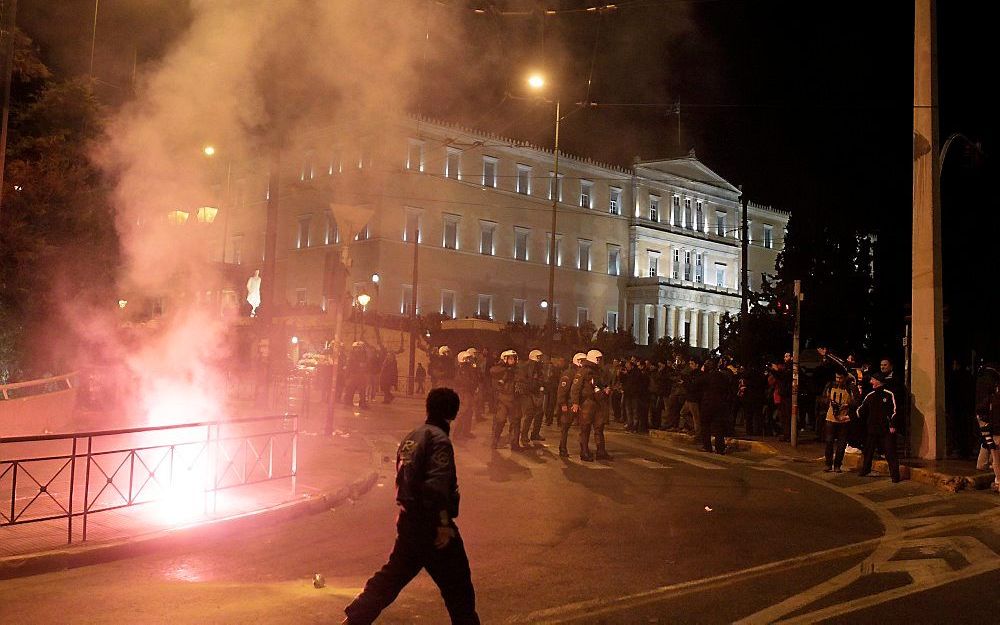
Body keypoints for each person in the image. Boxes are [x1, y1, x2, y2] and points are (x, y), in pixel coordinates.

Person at [343, 388, 480, 625]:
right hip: (432, 526)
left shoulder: (412, 437)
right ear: (453, 413)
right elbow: (437, 487)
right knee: (459, 587)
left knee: (391, 578)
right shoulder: (439, 440)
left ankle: (355, 619)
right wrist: (443, 524)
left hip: (409, 521)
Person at [857, 373, 901, 482]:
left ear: (878, 381)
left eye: (873, 379)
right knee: (868, 451)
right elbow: (861, 410)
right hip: (872, 429)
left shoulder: (889, 394)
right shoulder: (870, 395)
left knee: (890, 452)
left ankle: (895, 475)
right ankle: (865, 469)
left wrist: (892, 424)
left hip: (886, 429)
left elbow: (895, 411)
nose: (871, 381)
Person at [570, 349, 612, 461]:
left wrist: (605, 390)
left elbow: (600, 384)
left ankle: (601, 451)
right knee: (585, 428)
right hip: (587, 403)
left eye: (600, 359)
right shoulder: (583, 371)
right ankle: (584, 452)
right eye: (597, 358)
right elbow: (576, 388)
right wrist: (575, 402)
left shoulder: (599, 371)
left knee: (599, 427)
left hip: (597, 402)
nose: (599, 361)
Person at [820, 371, 858, 472]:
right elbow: (823, 398)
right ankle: (828, 464)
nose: (838, 380)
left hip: (844, 419)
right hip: (831, 418)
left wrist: (847, 405)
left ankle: (837, 465)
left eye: (840, 378)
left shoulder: (851, 387)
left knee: (841, 444)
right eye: (837, 378)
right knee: (829, 441)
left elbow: (857, 401)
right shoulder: (830, 385)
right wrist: (830, 402)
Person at [699, 358, 736, 454]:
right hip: (720, 404)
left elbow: (695, 385)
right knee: (718, 427)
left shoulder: (706, 376)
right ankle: (720, 448)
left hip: (708, 404)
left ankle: (707, 447)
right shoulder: (722, 376)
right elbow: (728, 388)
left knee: (705, 425)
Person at [490, 350, 524, 451]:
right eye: (510, 358)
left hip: (515, 399)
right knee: (500, 420)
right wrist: (506, 369)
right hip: (503, 399)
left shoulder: (517, 370)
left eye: (514, 358)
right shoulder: (499, 369)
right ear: (505, 359)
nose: (513, 360)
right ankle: (495, 440)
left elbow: (523, 379)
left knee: (516, 422)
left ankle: (515, 444)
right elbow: (493, 371)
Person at [556, 353, 586, 457]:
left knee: (583, 427)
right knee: (565, 427)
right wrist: (563, 403)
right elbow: (562, 390)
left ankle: (584, 450)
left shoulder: (582, 372)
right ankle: (562, 448)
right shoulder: (569, 373)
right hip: (569, 404)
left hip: (579, 404)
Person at [518, 349, 547, 444]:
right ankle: (524, 435)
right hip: (527, 393)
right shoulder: (527, 366)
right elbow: (523, 379)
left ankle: (535, 434)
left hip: (535, 392)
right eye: (539, 357)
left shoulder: (538, 367)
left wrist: (540, 386)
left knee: (539, 413)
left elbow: (540, 378)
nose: (540, 359)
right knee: (529, 413)